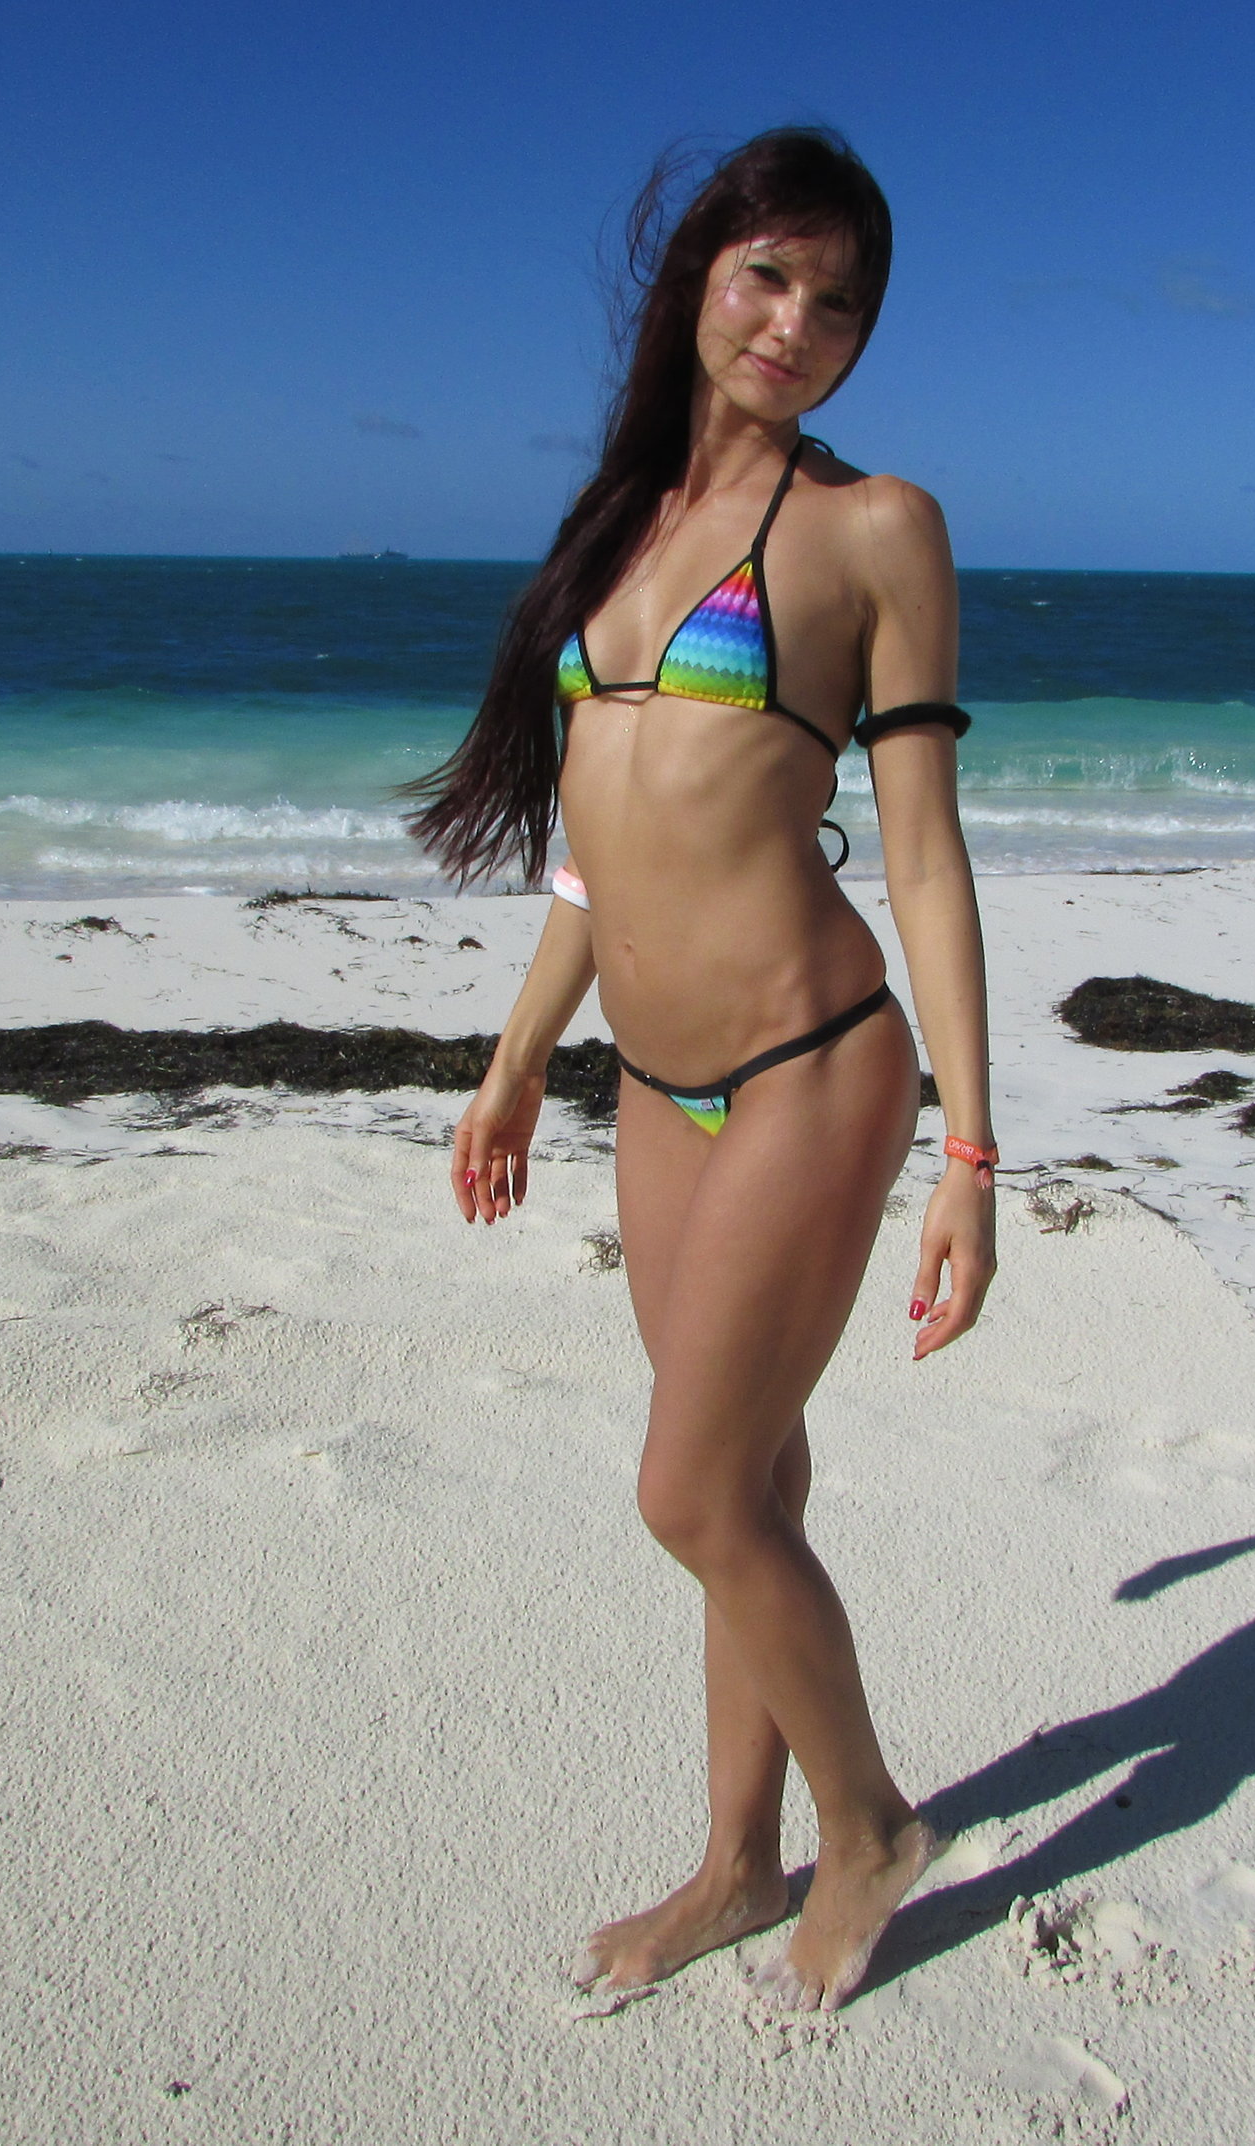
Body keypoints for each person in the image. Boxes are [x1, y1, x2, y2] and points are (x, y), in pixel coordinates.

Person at [408, 128, 997, 2012]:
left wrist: (972, 1156)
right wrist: (519, 1059)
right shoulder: (618, 525)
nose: (797, 324)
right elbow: (604, 846)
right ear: (697, 281)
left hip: (815, 1062)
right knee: (751, 1475)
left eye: (840, 302)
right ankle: (739, 1865)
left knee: (688, 1494)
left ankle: (869, 1826)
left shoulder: (876, 527)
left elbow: (923, 857)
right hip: (654, 1094)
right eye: (769, 276)